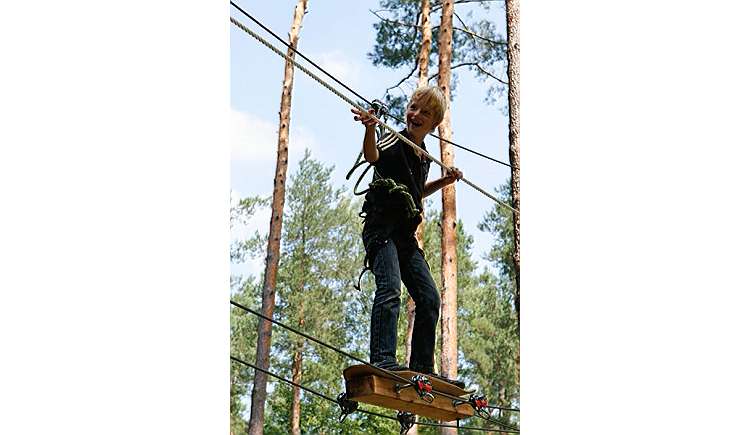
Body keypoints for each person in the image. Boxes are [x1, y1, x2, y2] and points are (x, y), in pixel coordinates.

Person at [350, 86, 465, 388]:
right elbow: (373, 156)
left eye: (424, 112)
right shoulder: (394, 137)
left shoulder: (423, 156)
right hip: (381, 227)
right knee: (389, 290)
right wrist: (370, 129)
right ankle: (383, 358)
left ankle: (422, 367)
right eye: (413, 107)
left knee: (429, 298)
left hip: (404, 235)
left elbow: (418, 192)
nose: (415, 114)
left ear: (433, 124)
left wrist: (446, 179)